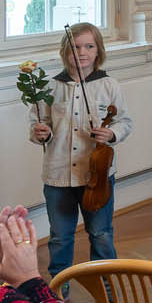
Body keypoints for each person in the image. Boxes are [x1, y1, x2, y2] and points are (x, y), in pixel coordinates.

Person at [28, 23, 133, 282]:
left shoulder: (109, 85)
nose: (82, 52)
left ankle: (106, 286)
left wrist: (111, 134)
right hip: (58, 175)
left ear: (98, 51)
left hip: (97, 175)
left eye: (89, 46)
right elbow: (38, 124)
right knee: (59, 236)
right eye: (75, 47)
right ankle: (58, 287)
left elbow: (124, 122)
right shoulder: (49, 87)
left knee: (101, 233)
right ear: (65, 51)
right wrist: (40, 133)